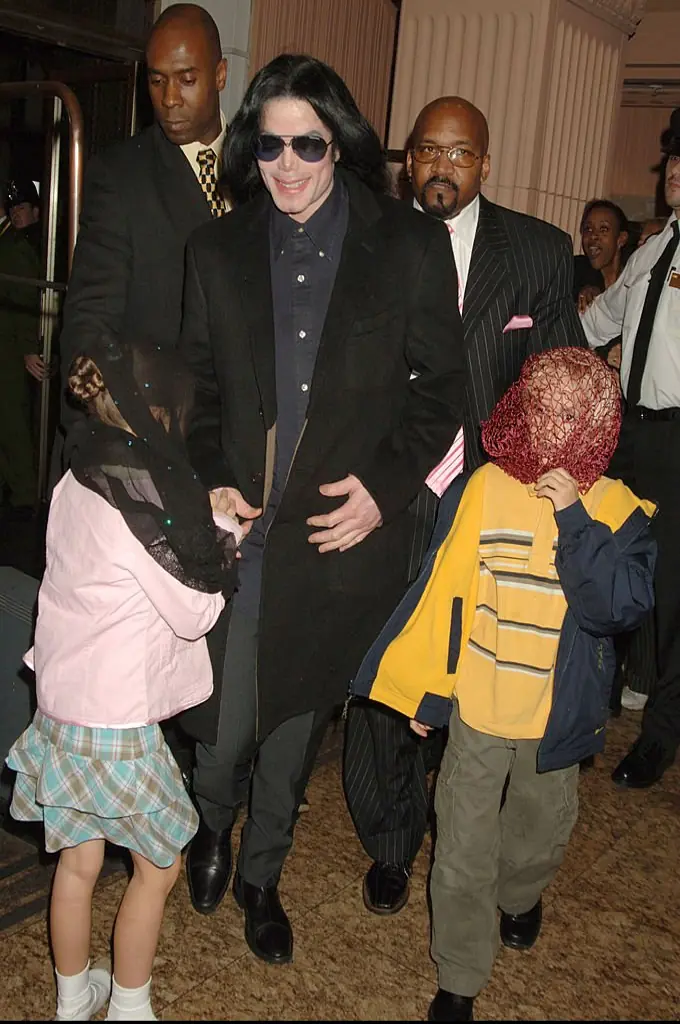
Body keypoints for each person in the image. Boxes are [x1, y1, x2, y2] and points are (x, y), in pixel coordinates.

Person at [178, 54, 465, 964]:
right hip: (242, 536)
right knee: (222, 734)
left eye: (308, 142)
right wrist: (205, 474)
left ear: (339, 142)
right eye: (269, 144)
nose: (289, 163)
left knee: (295, 732)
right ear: (249, 149)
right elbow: (195, 395)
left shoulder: (408, 246)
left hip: (338, 539)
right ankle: (209, 826)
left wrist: (386, 491)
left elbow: (441, 395)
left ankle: (263, 873)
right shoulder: (216, 252)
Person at [352, 347, 656, 1022]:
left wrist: (575, 520)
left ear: (599, 423)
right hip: (480, 710)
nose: (558, 426)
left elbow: (620, 605)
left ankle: (519, 896)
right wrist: (430, 690)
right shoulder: (485, 489)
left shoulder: (616, 508)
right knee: (461, 846)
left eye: (574, 415)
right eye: (547, 410)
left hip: (554, 721)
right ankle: (460, 975)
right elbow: (445, 591)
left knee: (536, 838)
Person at [343, 95, 587, 918]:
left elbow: (562, 383)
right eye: (427, 151)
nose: (441, 165)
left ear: (486, 164)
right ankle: (389, 840)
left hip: (498, 505)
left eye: (460, 152)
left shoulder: (542, 255)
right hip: (393, 498)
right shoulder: (363, 239)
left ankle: (507, 871)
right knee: (392, 672)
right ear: (408, 159)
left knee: (500, 690)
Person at [5, 336, 236, 1022]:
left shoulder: (79, 476)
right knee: (159, 867)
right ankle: (132, 1007)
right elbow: (194, 610)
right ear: (151, 409)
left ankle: (74, 1000)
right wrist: (222, 536)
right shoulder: (137, 501)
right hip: (112, 724)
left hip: (60, 705)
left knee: (77, 866)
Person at [58, 1, 229, 779]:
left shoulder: (269, 170)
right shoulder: (126, 175)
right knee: (145, 654)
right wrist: (118, 410)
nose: (169, 98)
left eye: (187, 80)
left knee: (229, 650)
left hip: (243, 442)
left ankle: (218, 802)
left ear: (221, 77)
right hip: (156, 445)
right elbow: (90, 317)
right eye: (156, 82)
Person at [580, 107, 680, 789]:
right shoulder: (649, 251)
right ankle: (585, 709)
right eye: (673, 159)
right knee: (606, 563)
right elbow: (595, 323)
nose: (675, 171)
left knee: (670, 592)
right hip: (630, 431)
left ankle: (661, 735)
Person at [0, 188, 41, 516]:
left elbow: (25, 300)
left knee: (13, 419)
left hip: (10, 349)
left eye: (21, 207)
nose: (16, 213)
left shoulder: (15, 247)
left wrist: (29, 350)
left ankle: (25, 494)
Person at [574, 199, 629, 313]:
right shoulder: (573, 270)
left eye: (604, 229)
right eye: (588, 229)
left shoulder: (632, 280)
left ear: (621, 239)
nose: (593, 236)